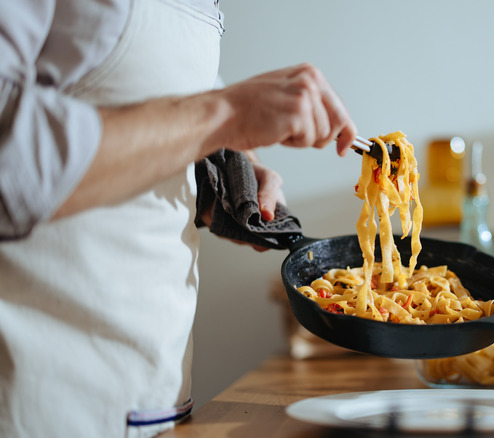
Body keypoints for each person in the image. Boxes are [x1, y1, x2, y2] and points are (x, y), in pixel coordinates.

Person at [0, 0, 357, 436]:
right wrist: (225, 114)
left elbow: (153, 127)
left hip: (155, 398)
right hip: (37, 398)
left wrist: (224, 182)